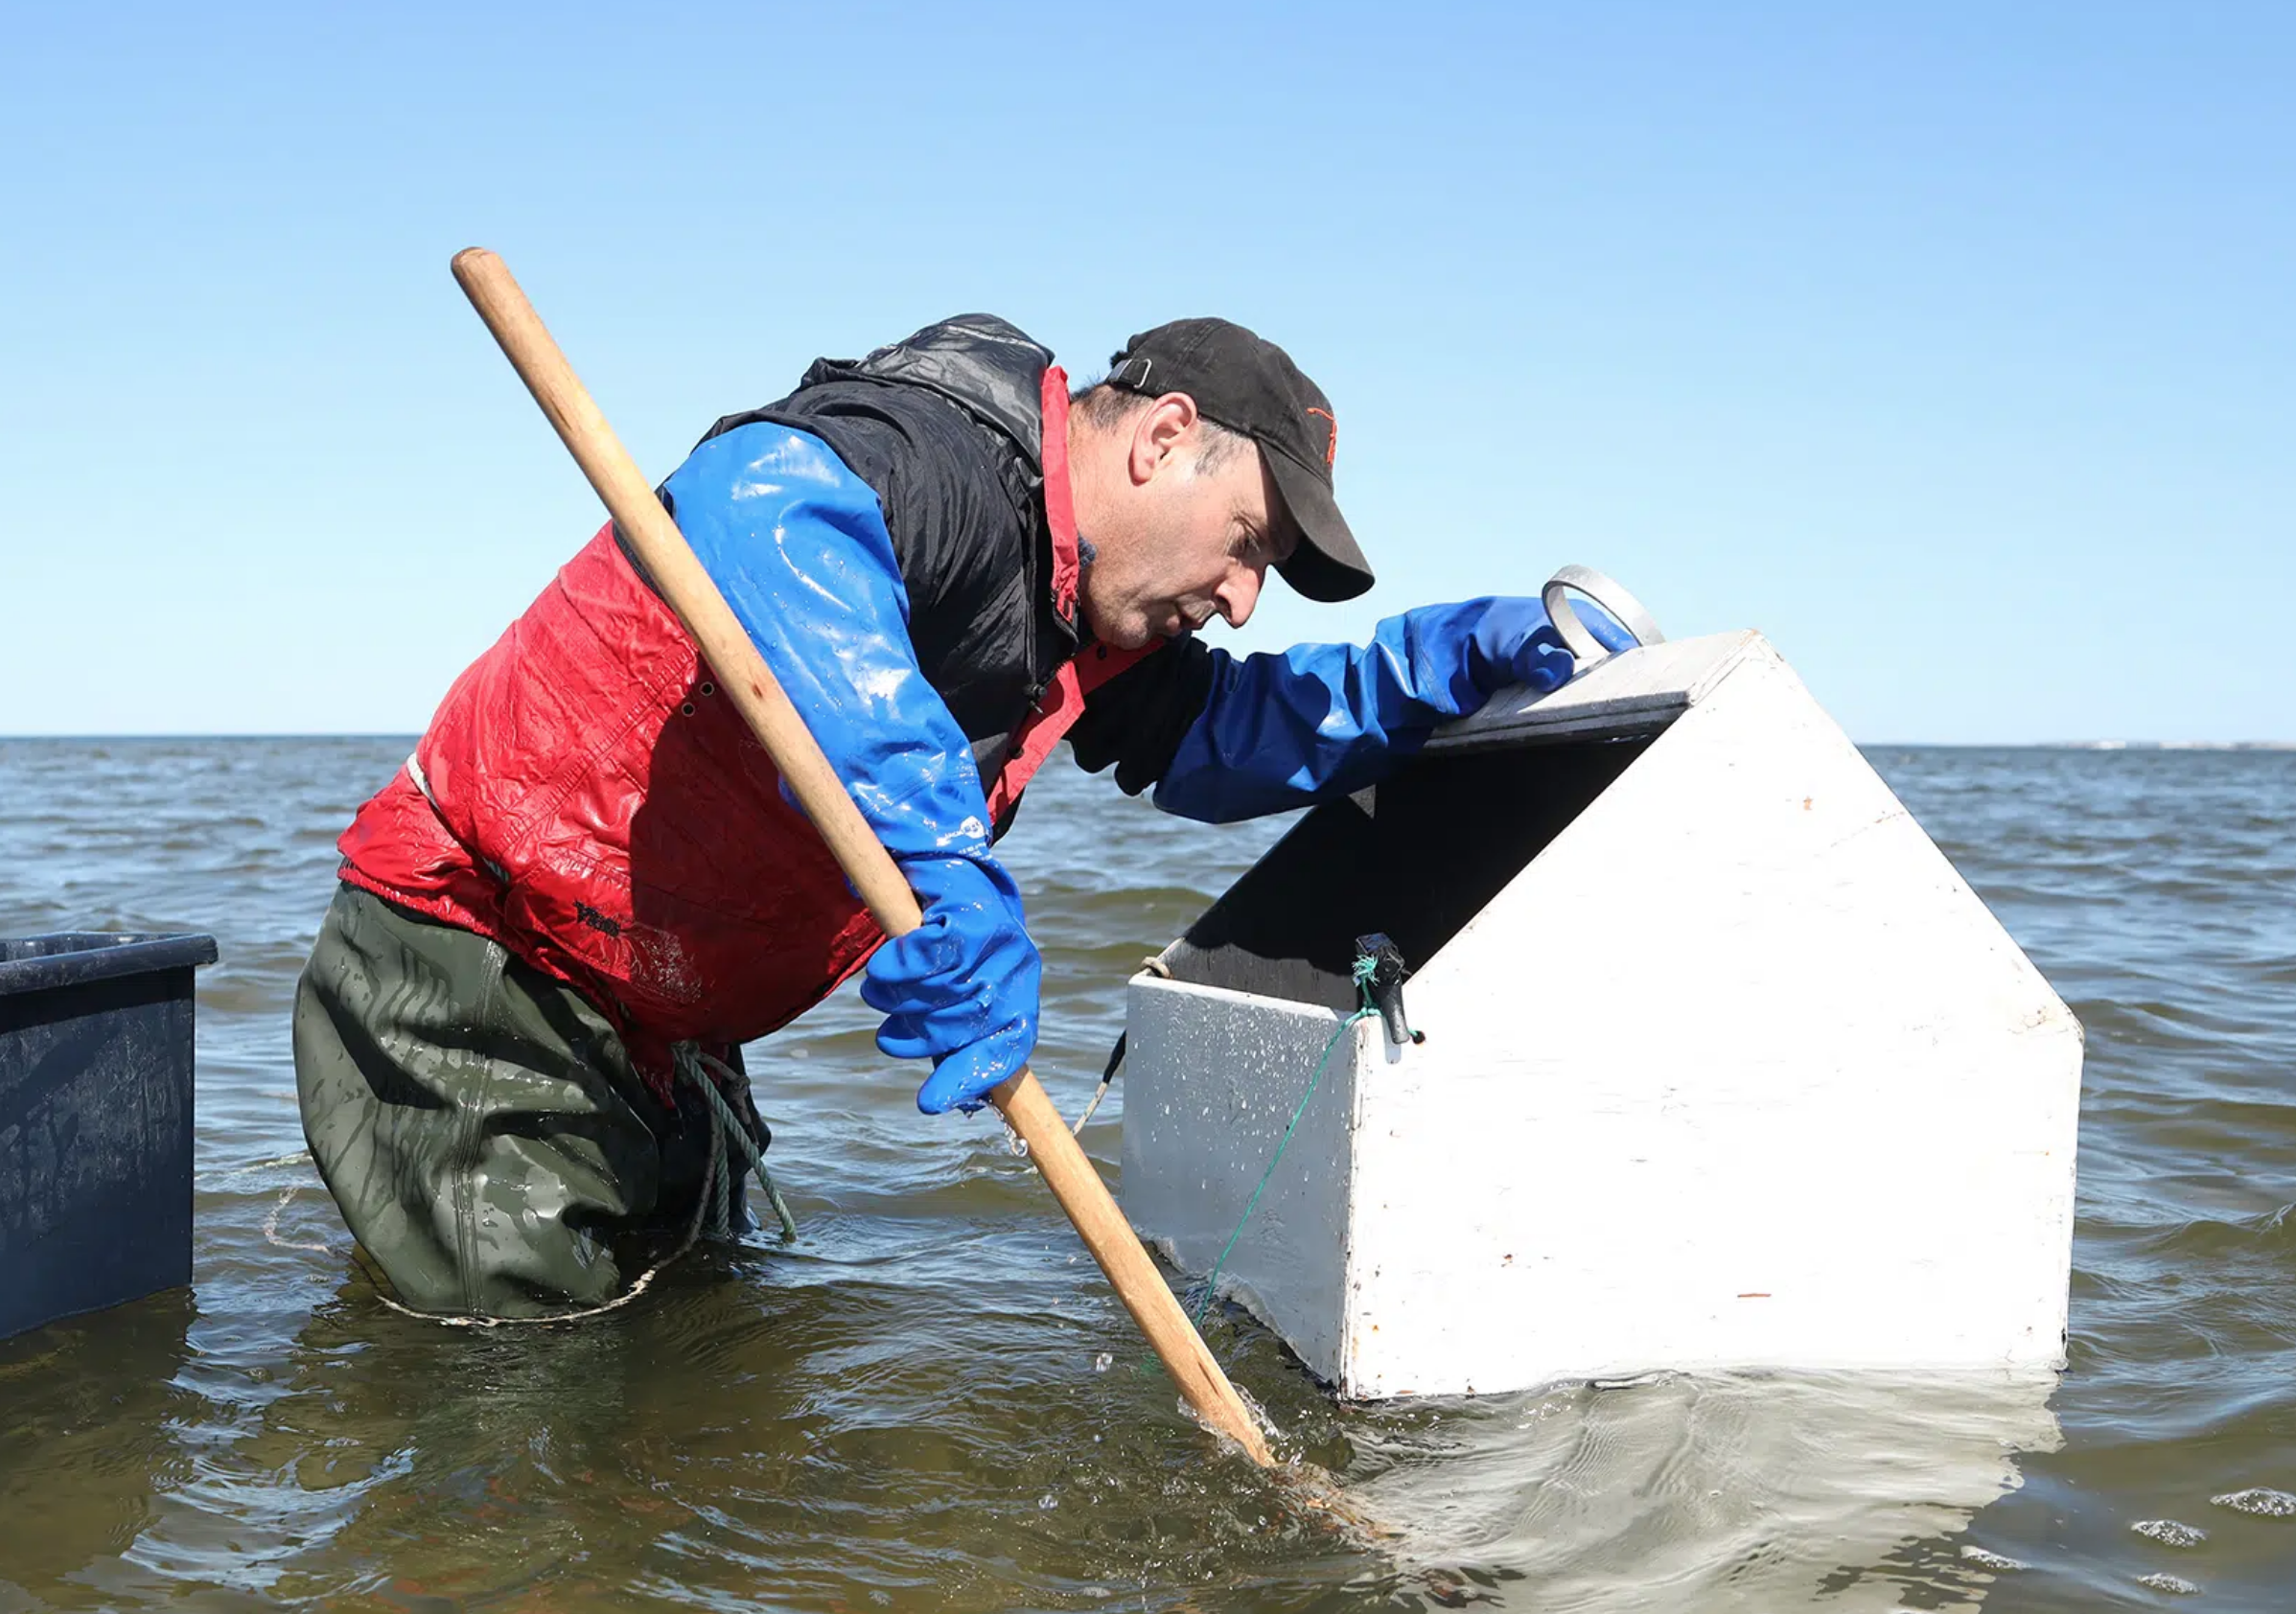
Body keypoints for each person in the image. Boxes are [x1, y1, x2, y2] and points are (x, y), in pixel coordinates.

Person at [300, 312, 1587, 1319]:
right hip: (484, 969)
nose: (1246, 598)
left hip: (660, 1034)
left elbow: (1234, 735)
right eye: (1246, 542)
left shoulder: (1090, 628)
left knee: (691, 1382)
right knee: (517, 1419)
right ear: (1160, 439)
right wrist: (942, 847)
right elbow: (754, 501)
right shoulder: (947, 456)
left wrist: (1434, 673)